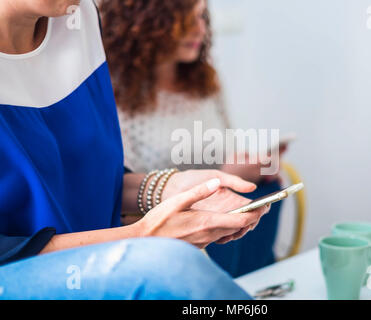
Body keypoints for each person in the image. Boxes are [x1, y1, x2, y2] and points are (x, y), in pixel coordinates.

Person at [0, 0, 269, 299]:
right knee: (172, 266)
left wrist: (168, 186)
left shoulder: (79, 18)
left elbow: (80, 179)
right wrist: (141, 236)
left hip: (98, 255)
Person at [100, 0, 286, 277]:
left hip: (231, 222)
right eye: (186, 21)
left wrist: (254, 168)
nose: (200, 30)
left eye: (201, 18)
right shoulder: (112, 96)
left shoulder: (205, 82)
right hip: (175, 246)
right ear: (142, 24)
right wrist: (222, 175)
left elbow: (229, 147)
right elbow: (123, 197)